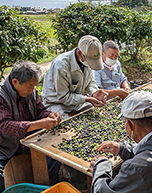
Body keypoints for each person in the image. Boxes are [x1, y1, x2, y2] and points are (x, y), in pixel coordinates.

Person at [0, 61, 62, 191]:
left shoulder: (31, 92)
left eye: (34, 86)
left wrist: (50, 115)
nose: (32, 89)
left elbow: (40, 110)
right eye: (30, 86)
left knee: (55, 155)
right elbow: (5, 125)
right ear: (15, 82)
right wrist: (39, 124)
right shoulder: (2, 96)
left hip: (29, 141)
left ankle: (47, 187)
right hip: (5, 145)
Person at [41, 35, 128, 120]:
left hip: (76, 101)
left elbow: (90, 82)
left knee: (95, 114)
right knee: (65, 123)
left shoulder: (86, 59)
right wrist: (86, 98)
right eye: (90, 60)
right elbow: (63, 97)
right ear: (79, 53)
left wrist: (94, 92)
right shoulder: (61, 66)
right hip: (56, 102)